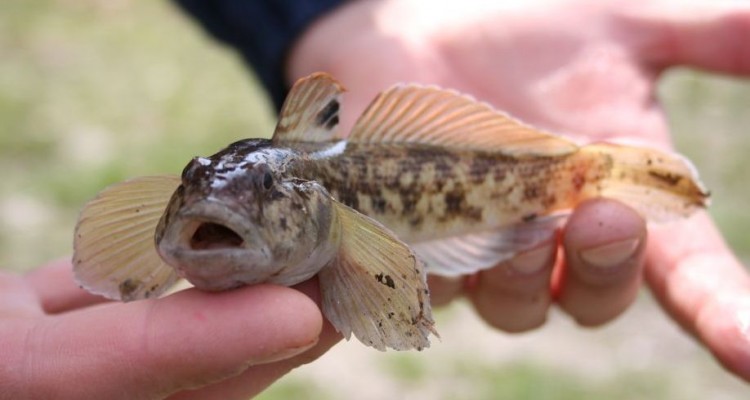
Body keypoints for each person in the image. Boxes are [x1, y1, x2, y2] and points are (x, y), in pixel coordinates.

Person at [2, 0, 749, 398]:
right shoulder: (204, 211)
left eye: (262, 193)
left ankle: (593, 173)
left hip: (476, 178)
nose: (213, 204)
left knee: (578, 191)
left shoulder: (334, 187)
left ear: (308, 206)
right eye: (195, 185)